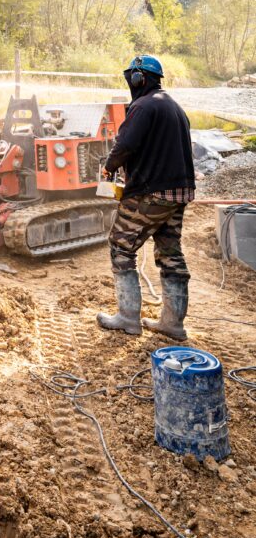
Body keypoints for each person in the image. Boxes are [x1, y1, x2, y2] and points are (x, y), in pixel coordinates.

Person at [96, 55, 195, 339]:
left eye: (131, 77)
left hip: (150, 192)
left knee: (120, 246)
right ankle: (173, 324)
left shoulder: (142, 106)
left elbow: (125, 145)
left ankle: (128, 318)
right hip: (179, 193)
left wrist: (108, 168)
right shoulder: (174, 107)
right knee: (170, 254)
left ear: (139, 78)